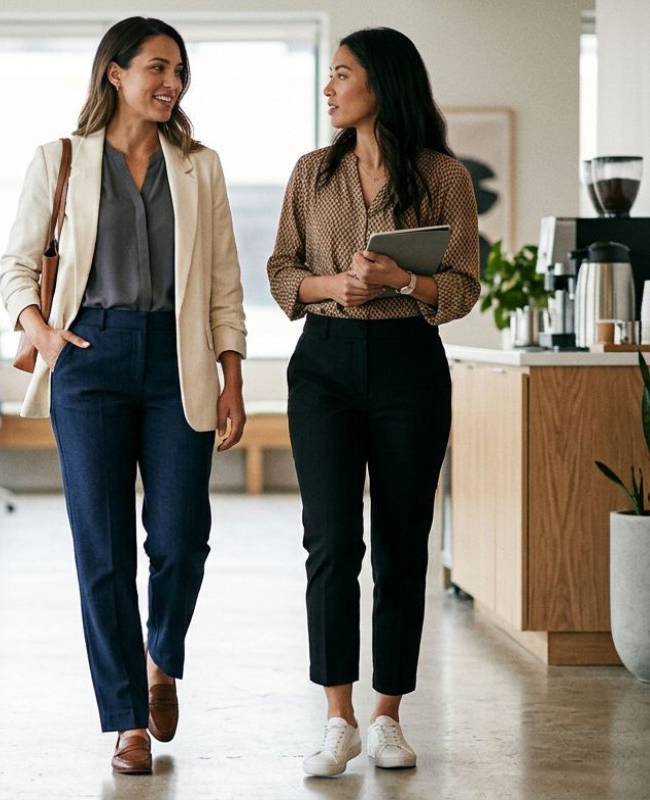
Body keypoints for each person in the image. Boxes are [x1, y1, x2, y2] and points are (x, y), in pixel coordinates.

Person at [0, 17, 246, 775]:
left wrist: (233, 377)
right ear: (116, 73)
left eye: (179, 71)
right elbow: (14, 265)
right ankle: (126, 721)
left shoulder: (200, 167)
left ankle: (160, 660)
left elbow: (224, 282)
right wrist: (42, 334)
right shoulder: (60, 160)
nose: (172, 83)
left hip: (177, 360)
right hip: (89, 357)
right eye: (157, 68)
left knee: (181, 537)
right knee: (102, 548)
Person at [265, 28, 479, 778]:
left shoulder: (444, 175)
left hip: (407, 363)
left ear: (381, 83)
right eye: (329, 76)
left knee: (401, 543)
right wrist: (335, 285)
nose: (329, 88)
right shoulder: (310, 172)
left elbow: (463, 287)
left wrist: (401, 282)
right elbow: (282, 270)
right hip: (323, 363)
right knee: (330, 541)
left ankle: (387, 715)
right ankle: (338, 719)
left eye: (342, 74)